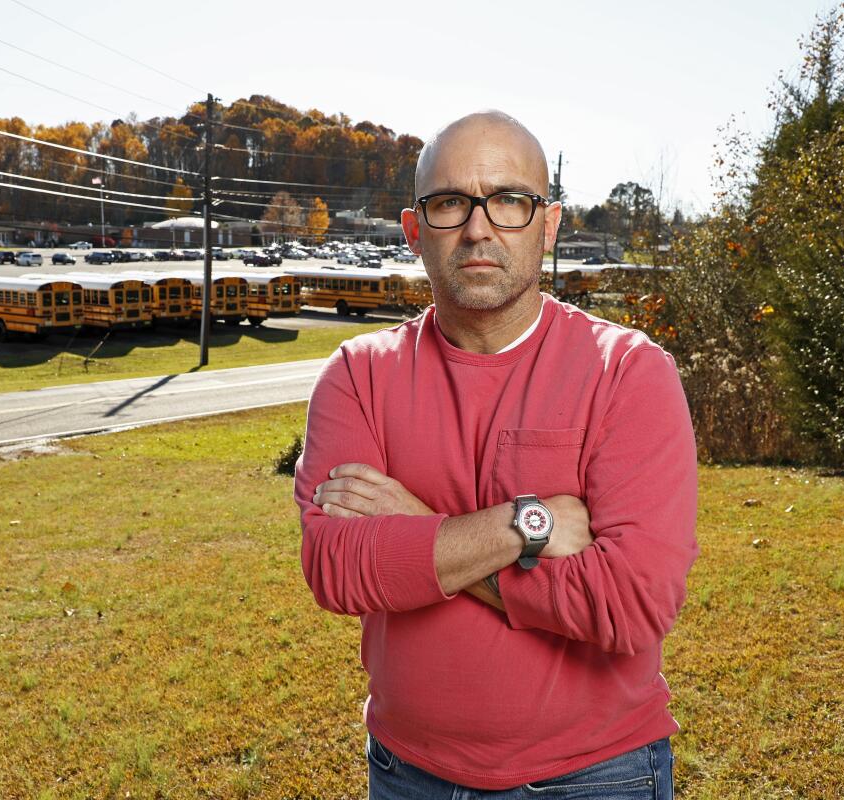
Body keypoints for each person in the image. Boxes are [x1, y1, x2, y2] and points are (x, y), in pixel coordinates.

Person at [294, 110, 697, 798]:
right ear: (414, 229)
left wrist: (416, 530)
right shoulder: (357, 374)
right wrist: (522, 525)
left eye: (509, 199)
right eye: (450, 202)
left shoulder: (627, 372)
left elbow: (629, 605)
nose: (479, 227)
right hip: (408, 772)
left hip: (600, 774)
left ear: (549, 224)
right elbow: (337, 569)